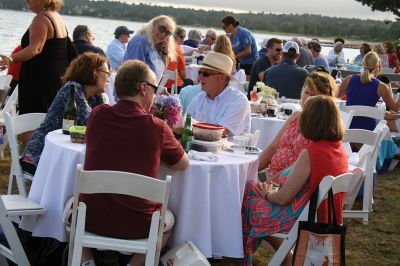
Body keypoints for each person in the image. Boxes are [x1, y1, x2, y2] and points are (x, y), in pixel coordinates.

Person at [80, 59, 189, 266]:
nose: (156, 95)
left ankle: (87, 262)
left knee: (74, 208)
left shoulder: (97, 114)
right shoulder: (156, 127)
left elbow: (90, 141)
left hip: (92, 218)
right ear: (143, 88)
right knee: (170, 221)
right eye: (155, 89)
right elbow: (183, 164)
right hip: (138, 224)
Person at [242, 95, 348, 266]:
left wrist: (268, 194)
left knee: (247, 201)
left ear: (311, 121)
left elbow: (283, 198)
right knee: (249, 190)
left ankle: (244, 255)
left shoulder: (312, 152)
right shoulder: (338, 148)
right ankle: (283, 256)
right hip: (315, 211)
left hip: (301, 215)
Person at [20, 53, 108, 175]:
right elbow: (92, 124)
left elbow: (101, 126)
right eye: (106, 72)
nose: (108, 77)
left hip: (66, 153)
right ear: (93, 71)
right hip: (40, 155)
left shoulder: (96, 97)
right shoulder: (72, 88)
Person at [0, 0, 76, 114]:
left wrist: (11, 59)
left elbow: (35, 48)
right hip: (56, 79)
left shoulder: (41, 19)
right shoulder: (57, 17)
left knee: (31, 123)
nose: (26, 1)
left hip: (39, 82)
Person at [258, 71, 337, 178]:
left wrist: (269, 181)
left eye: (315, 96)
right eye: (307, 93)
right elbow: (273, 147)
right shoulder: (296, 116)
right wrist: (253, 171)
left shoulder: (321, 127)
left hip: (284, 184)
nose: (308, 99)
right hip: (270, 174)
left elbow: (297, 169)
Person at [186, 51, 251, 138]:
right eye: (199, 72)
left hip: (228, 151)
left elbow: (219, 133)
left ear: (222, 78)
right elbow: (185, 125)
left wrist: (189, 127)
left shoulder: (238, 100)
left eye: (205, 74)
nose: (200, 77)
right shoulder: (198, 99)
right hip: (198, 149)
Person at [338, 51, 400, 130]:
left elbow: (336, 96)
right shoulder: (381, 86)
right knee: (390, 121)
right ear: (377, 66)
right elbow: (395, 109)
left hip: (347, 126)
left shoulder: (349, 79)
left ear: (363, 64)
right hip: (370, 129)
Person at [124, 15, 177, 82]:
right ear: (153, 24)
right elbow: (133, 74)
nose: (163, 34)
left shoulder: (155, 46)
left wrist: (165, 52)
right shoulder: (140, 41)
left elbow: (162, 70)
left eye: (168, 33)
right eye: (162, 29)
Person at [165, 27, 187, 92]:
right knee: (194, 82)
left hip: (159, 85)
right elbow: (183, 75)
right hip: (173, 87)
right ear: (175, 36)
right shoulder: (177, 49)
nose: (183, 40)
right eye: (182, 37)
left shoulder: (161, 46)